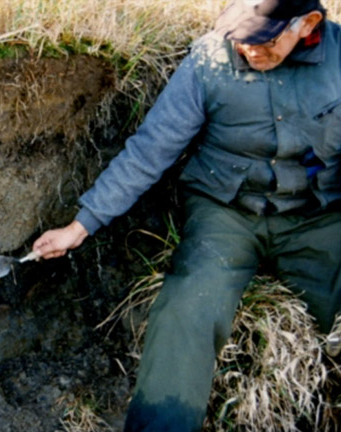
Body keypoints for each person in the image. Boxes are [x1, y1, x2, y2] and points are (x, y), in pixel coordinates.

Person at [31, 0, 341, 430]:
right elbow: (152, 148)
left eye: (264, 39)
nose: (250, 49)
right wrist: (81, 225)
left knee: (329, 321)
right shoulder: (208, 59)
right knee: (188, 308)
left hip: (319, 215)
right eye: (242, 35)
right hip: (227, 213)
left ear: (307, 24)